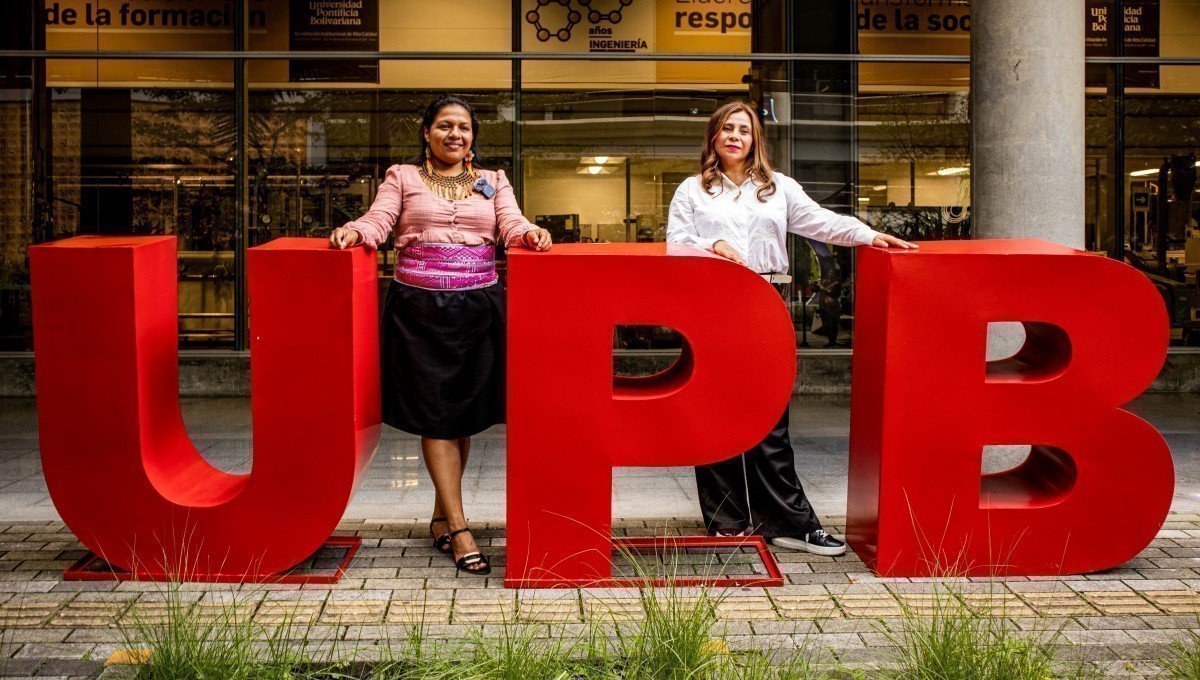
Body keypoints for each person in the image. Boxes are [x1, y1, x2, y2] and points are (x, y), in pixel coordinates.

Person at [666, 101, 916, 555]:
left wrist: (867, 235)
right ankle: (727, 522)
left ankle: (789, 522)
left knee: (770, 419)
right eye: (726, 128)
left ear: (755, 139)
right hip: (712, 307)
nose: (735, 136)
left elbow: (820, 222)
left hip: (766, 302)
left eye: (743, 129)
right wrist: (713, 243)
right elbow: (676, 244)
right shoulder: (691, 190)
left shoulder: (777, 188)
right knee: (716, 414)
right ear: (713, 138)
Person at [330, 96, 551, 575]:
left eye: (465, 127)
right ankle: (459, 526)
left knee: (463, 416)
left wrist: (530, 232)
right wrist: (356, 230)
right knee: (438, 415)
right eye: (446, 126)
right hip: (420, 312)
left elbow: (510, 224)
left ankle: (438, 517)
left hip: (478, 308)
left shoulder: (493, 181)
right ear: (426, 133)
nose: (457, 134)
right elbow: (380, 221)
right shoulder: (402, 177)